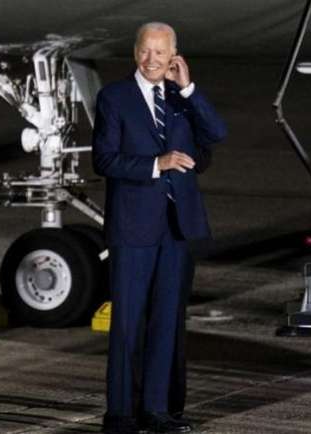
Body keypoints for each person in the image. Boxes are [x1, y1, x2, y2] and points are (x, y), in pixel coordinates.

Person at [92, 22, 226, 434]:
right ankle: (120, 414)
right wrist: (157, 164)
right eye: (145, 51)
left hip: (177, 228)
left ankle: (158, 410)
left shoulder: (180, 98)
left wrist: (188, 90)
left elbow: (216, 133)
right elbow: (105, 160)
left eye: (160, 53)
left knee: (167, 322)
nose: (152, 60)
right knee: (128, 323)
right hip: (133, 226)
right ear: (135, 52)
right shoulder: (115, 97)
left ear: (174, 57)